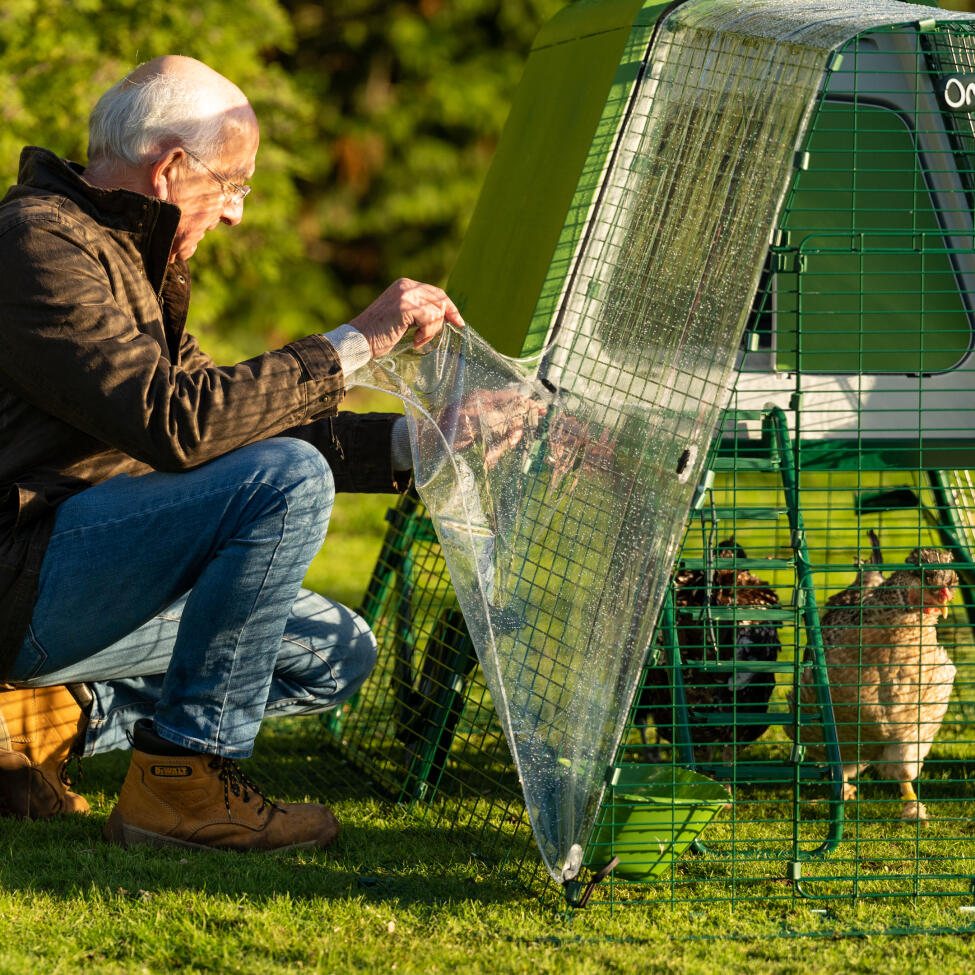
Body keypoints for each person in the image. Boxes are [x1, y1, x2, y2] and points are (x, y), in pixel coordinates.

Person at [0, 55, 463, 851]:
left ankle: (31, 720)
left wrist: (417, 442)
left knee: (336, 654)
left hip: (69, 574)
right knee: (282, 482)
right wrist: (351, 345)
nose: (238, 212)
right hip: (18, 573)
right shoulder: (36, 243)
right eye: (235, 183)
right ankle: (183, 780)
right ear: (172, 168)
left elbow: (229, 417)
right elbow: (173, 422)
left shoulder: (127, 258)